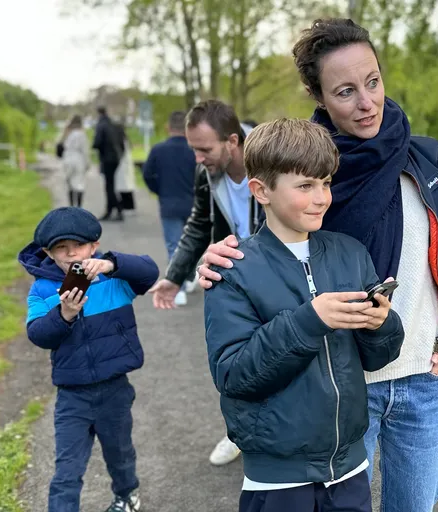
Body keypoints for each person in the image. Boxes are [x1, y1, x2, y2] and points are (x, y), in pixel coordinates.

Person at [197, 18, 438, 512]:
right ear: (318, 94)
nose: (367, 102)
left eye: (373, 81)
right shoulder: (310, 165)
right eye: (346, 91)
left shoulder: (425, 157)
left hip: (423, 373)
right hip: (345, 383)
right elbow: (264, 242)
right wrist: (218, 256)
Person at [204, 117, 405, 512]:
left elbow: (378, 356)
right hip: (277, 478)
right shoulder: (233, 269)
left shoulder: (350, 252)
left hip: (350, 468)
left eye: (326, 182)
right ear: (261, 190)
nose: (321, 198)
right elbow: (233, 375)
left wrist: (381, 325)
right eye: (305, 186)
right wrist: (308, 321)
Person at [17, 207, 159, 512]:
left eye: (78, 246)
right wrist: (64, 314)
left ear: (93, 245)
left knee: (119, 454)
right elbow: (38, 335)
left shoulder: (114, 278)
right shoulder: (42, 289)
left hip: (115, 389)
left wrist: (111, 264)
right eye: (61, 249)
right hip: (72, 395)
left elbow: (150, 272)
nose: (70, 255)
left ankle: (127, 494)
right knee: (67, 470)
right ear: (48, 252)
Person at [147, 100, 263, 464]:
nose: (198, 158)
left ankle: (272, 447)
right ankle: (239, 433)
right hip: (233, 279)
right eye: (194, 149)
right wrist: (173, 277)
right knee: (231, 364)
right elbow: (199, 224)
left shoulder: (271, 158)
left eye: (204, 150)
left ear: (233, 141)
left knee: (278, 361)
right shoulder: (206, 174)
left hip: (276, 278)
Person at [142, 110, 198, 305]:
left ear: (168, 127)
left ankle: (180, 287)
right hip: (194, 204)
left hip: (169, 204)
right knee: (193, 244)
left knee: (175, 246)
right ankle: (189, 278)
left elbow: (147, 175)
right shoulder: (195, 150)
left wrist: (159, 191)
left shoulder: (158, 150)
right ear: (187, 128)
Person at [93, 106, 125, 221]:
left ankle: (118, 208)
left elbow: (97, 142)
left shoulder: (101, 125)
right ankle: (110, 210)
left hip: (107, 158)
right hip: (116, 158)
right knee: (111, 184)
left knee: (109, 186)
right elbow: (122, 142)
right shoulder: (113, 124)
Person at [59, 115, 91, 207]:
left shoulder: (67, 133)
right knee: (79, 184)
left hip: (67, 158)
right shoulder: (81, 134)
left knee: (70, 184)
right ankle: (79, 207)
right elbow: (85, 150)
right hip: (78, 159)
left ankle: (71, 206)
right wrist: (87, 163)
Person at [114, 118, 137, 214]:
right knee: (127, 186)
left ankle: (127, 206)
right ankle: (129, 206)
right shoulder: (125, 138)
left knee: (123, 186)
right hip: (126, 165)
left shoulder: (120, 139)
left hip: (122, 165)